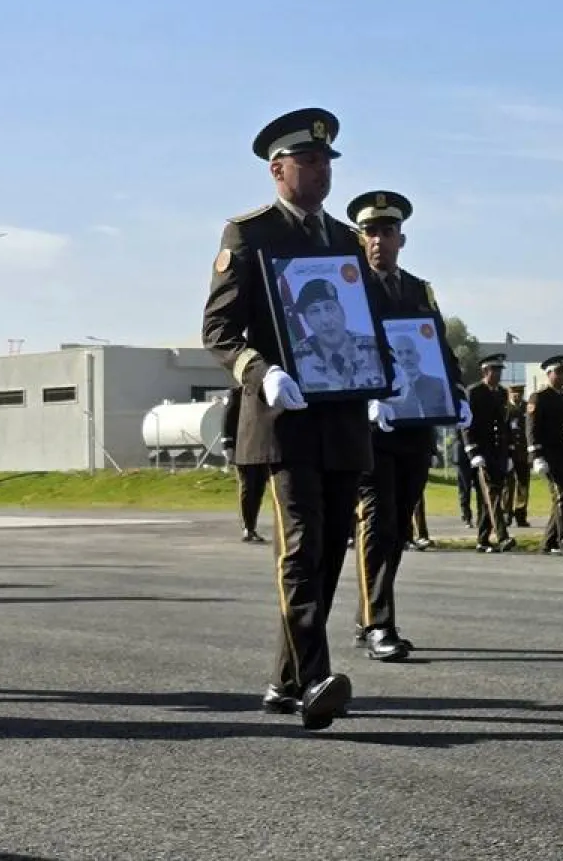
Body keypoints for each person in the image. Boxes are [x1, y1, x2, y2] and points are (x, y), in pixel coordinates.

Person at [200, 107, 360, 730]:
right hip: (283, 416)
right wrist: (259, 370)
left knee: (331, 550)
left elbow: (359, 324)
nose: (321, 171)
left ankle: (284, 680)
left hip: (342, 415)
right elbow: (218, 329)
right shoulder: (250, 234)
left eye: (326, 162)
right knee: (300, 545)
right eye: (309, 162)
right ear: (278, 169)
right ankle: (317, 676)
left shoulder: (344, 241)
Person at [347, 189, 471, 661]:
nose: (378, 240)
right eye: (370, 232)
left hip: (416, 423)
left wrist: (457, 393)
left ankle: (368, 612)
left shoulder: (419, 289)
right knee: (377, 522)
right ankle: (380, 623)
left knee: (399, 524)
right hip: (372, 427)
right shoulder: (351, 286)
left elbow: (437, 347)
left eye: (386, 231)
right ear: (360, 239)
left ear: (402, 238)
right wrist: (367, 396)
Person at [527, 355, 563, 555]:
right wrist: (536, 455)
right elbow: (532, 429)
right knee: (562, 496)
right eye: (558, 372)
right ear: (549, 373)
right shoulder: (540, 397)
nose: (562, 377)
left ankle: (548, 541)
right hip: (550, 455)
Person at [462, 354, 516, 552]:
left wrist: (509, 451)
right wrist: (472, 451)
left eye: (500, 370)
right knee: (492, 493)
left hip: (498, 451)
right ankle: (502, 536)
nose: (498, 374)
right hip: (482, 452)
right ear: (485, 371)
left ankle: (482, 540)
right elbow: (466, 424)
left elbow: (505, 423)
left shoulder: (502, 393)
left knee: (490, 497)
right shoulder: (474, 392)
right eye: (494, 370)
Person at [219, 386, 267, 543]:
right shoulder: (237, 393)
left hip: (261, 447)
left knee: (259, 487)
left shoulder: (265, 391)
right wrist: (227, 444)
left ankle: (252, 526)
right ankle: (247, 527)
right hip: (243, 447)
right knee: (248, 485)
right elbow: (227, 418)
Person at [503, 385, 531, 528]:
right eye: (514, 393)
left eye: (519, 393)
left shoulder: (527, 407)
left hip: (523, 453)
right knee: (508, 485)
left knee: (523, 485)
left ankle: (521, 514)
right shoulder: (505, 408)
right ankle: (507, 514)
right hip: (510, 452)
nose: (517, 396)